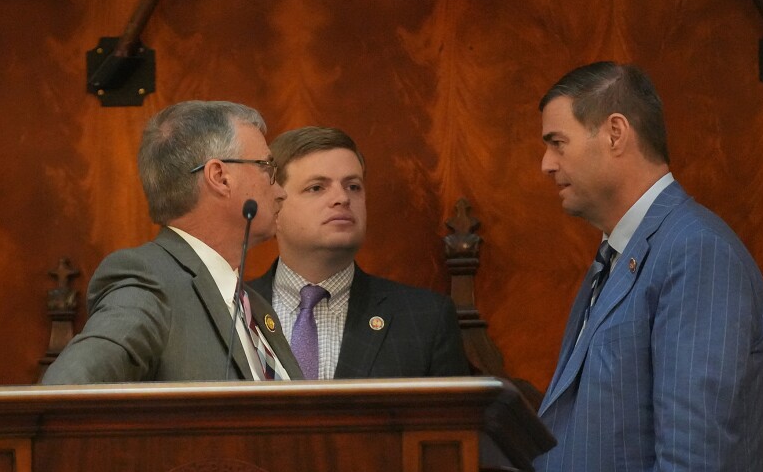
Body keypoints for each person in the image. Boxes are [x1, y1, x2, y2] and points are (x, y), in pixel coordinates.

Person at [535, 62, 763, 472]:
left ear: (615, 133)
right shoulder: (621, 253)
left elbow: (695, 467)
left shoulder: (696, 252)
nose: (546, 164)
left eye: (557, 143)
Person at [42, 101, 304, 384]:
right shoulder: (150, 283)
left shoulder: (256, 309)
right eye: (267, 167)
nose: (280, 192)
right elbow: (66, 389)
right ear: (220, 177)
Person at [248, 126, 469, 379]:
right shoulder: (233, 310)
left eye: (353, 186)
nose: (342, 198)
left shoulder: (426, 319)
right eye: (317, 188)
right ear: (274, 206)